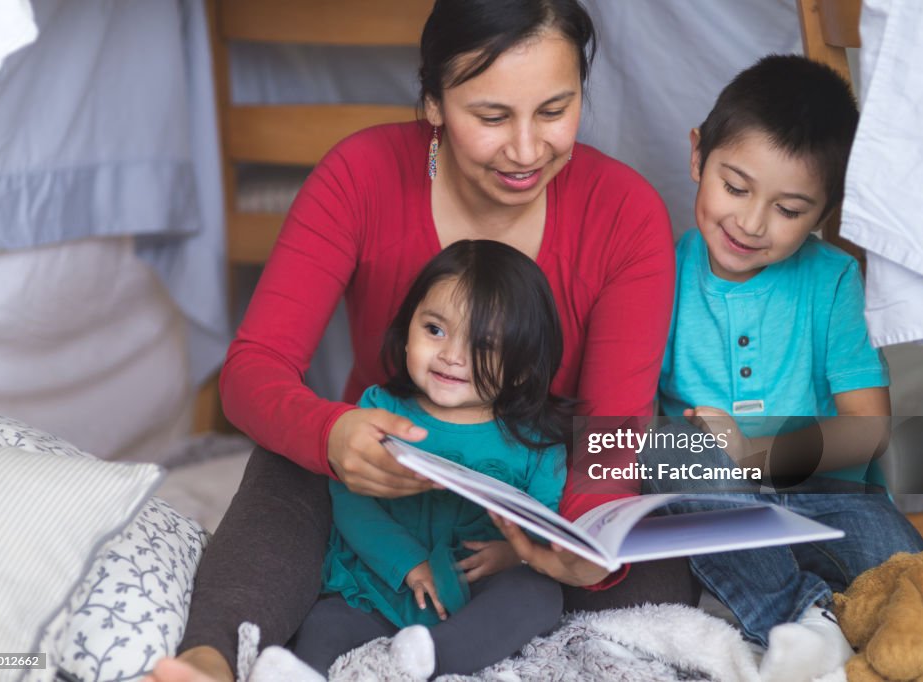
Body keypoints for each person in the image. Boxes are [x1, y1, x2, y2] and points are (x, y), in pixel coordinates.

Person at [148, 1, 693, 681]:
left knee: (662, 560)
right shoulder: (361, 175)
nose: (526, 150)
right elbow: (253, 371)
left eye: (555, 111)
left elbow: (613, 432)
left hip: (531, 509)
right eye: (491, 117)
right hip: (384, 482)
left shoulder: (625, 213)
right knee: (287, 467)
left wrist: (581, 537)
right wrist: (331, 434)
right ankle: (210, 659)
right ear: (433, 100)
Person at [648, 55, 923, 682]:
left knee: (906, 566)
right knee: (682, 457)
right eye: (736, 187)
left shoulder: (832, 281)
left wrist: (756, 453)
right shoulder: (659, 276)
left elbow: (867, 427)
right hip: (715, 500)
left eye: (790, 209)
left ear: (827, 210)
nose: (750, 223)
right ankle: (804, 616)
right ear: (698, 156)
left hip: (825, 500)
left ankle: (797, 607)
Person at [296, 239, 568, 677]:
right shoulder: (381, 409)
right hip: (383, 582)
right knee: (324, 621)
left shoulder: (538, 443)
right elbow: (350, 499)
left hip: (475, 589)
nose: (452, 356)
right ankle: (293, 672)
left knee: (539, 595)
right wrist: (407, 564)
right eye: (435, 330)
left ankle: (431, 658)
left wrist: (513, 554)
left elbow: (547, 521)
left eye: (484, 345)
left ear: (520, 369)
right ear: (407, 330)